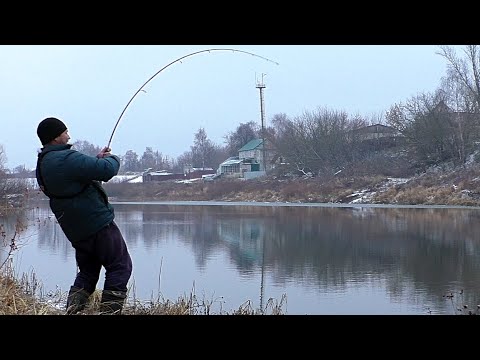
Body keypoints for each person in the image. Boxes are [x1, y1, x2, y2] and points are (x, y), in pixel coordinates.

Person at [35, 117, 132, 315]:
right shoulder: (67, 158)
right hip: (96, 222)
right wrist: (111, 159)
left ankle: (72, 311)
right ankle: (109, 312)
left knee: (88, 272)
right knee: (120, 266)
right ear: (55, 138)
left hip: (76, 229)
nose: (68, 135)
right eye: (64, 132)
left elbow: (73, 177)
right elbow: (107, 170)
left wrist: (95, 160)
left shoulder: (43, 163)